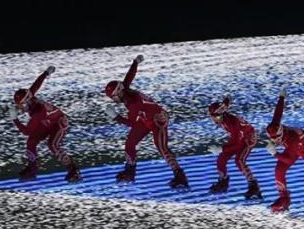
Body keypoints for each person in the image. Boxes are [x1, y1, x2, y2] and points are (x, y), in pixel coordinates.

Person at [104, 55, 188, 189]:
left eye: (113, 97)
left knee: (162, 148)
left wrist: (116, 117)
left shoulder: (133, 102)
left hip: (157, 120)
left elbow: (132, 123)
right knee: (130, 143)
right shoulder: (125, 91)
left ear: (118, 93)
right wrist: (135, 63)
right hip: (145, 117)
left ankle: (180, 176)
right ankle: (130, 172)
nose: (113, 100)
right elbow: (129, 77)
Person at [10, 65, 81, 182]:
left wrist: (15, 119)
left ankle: (73, 170)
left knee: (53, 145)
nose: (19, 108)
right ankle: (32, 168)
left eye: (21, 105)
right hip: (47, 121)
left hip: (58, 122)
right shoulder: (31, 99)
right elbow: (36, 84)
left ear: (27, 102)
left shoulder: (38, 111)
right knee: (31, 141)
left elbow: (26, 131)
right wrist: (45, 73)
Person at [207, 96, 261, 198]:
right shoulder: (223, 117)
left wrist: (221, 149)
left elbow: (237, 144)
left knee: (239, 160)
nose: (214, 118)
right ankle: (223, 181)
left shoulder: (232, 122)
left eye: (216, 116)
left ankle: (254, 185)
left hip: (248, 138)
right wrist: (226, 100)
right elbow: (226, 104)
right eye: (212, 116)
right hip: (238, 136)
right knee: (222, 158)